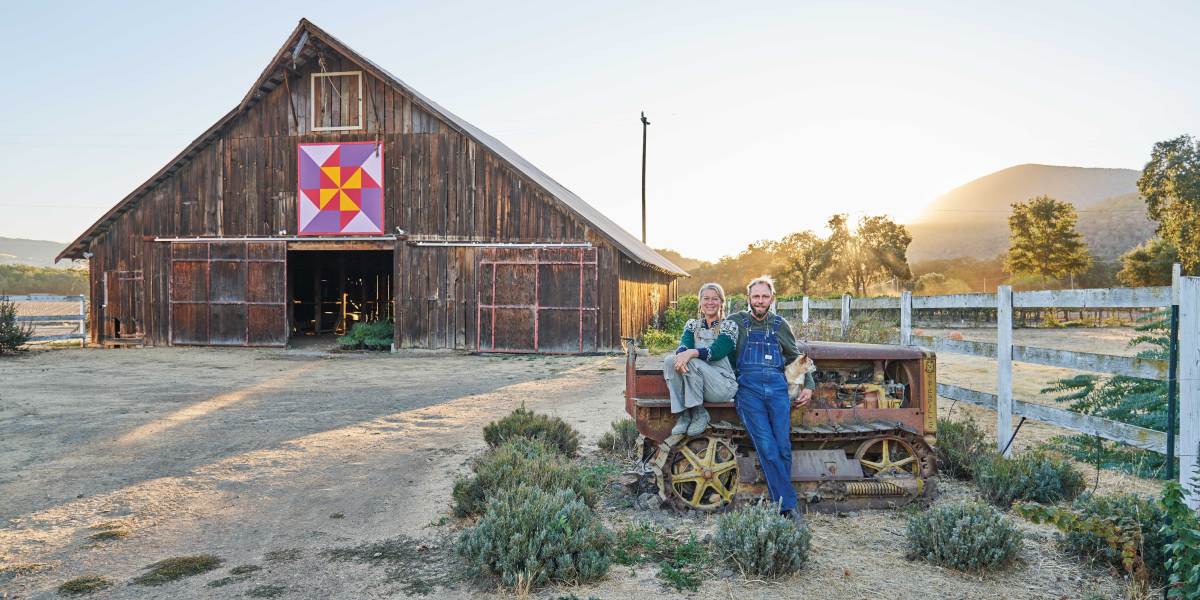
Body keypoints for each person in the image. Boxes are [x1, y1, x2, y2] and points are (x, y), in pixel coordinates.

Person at [727, 275, 814, 521]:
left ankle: (781, 503)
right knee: (766, 446)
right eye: (756, 296)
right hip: (749, 391)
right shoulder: (736, 323)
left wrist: (808, 383)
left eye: (765, 296)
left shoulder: (779, 325)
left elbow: (797, 357)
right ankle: (788, 508)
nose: (760, 301)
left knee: (784, 448)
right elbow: (720, 348)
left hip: (777, 390)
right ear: (748, 298)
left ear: (772, 298)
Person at [664, 283, 739, 437]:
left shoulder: (729, 326)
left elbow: (717, 352)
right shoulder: (692, 325)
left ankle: (699, 413)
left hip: (722, 385)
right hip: (697, 384)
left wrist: (691, 353)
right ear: (700, 302)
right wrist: (683, 353)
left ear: (721, 302)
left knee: (692, 360)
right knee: (669, 361)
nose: (710, 303)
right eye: (706, 298)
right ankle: (683, 415)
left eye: (715, 299)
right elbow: (684, 345)